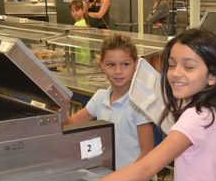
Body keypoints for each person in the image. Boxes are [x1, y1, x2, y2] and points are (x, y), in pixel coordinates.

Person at [41, 28, 216, 181]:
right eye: (172, 64)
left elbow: (144, 169)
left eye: (189, 67)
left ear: (212, 76)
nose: (175, 73)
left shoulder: (195, 118)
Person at [65, 34, 153, 170]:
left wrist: (123, 179)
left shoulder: (139, 104)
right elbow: (70, 124)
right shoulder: (100, 97)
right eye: (111, 65)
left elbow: (147, 154)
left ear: (135, 64)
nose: (118, 71)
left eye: (125, 64)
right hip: (106, 177)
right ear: (101, 65)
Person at [68, 0, 90, 65]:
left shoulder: (78, 24)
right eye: (72, 11)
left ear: (83, 10)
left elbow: (76, 42)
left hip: (80, 56)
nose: (75, 13)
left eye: (77, 10)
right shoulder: (83, 22)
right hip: (84, 54)